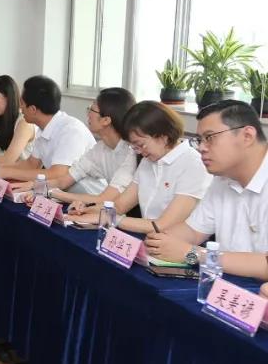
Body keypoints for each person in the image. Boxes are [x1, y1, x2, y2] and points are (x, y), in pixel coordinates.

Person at [146, 100, 268, 277]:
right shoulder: (222, 179)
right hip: (227, 285)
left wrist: (192, 254)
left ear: (247, 136)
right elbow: (194, 231)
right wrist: (159, 241)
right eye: (199, 140)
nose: (202, 148)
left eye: (210, 138)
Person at [67, 101, 210, 234]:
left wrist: (110, 218)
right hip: (148, 238)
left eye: (141, 145)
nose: (139, 152)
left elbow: (162, 225)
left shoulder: (194, 164)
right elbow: (120, 206)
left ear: (163, 136)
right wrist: (87, 210)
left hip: (176, 244)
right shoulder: (148, 161)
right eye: (134, 147)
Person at [18, 88, 137, 201]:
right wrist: (33, 186)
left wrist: (51, 193)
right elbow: (63, 181)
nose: (88, 114)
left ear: (106, 120)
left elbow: (104, 199)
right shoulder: (100, 148)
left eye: (92, 109)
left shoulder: (131, 153)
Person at [0, 75, 95, 183]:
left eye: (22, 103)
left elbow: (58, 174)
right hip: (61, 190)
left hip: (86, 191)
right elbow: (31, 165)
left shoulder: (70, 131)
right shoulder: (43, 129)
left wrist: (8, 172)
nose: (20, 108)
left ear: (33, 109)